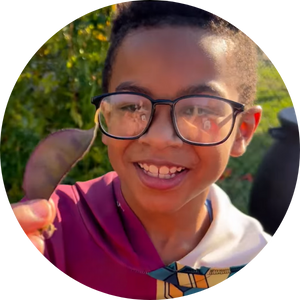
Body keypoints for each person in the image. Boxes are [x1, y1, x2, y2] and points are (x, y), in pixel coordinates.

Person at [8, 1, 274, 299]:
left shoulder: (253, 253)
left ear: (242, 131)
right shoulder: (54, 229)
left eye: (199, 109)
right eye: (132, 105)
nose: (160, 138)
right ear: (106, 115)